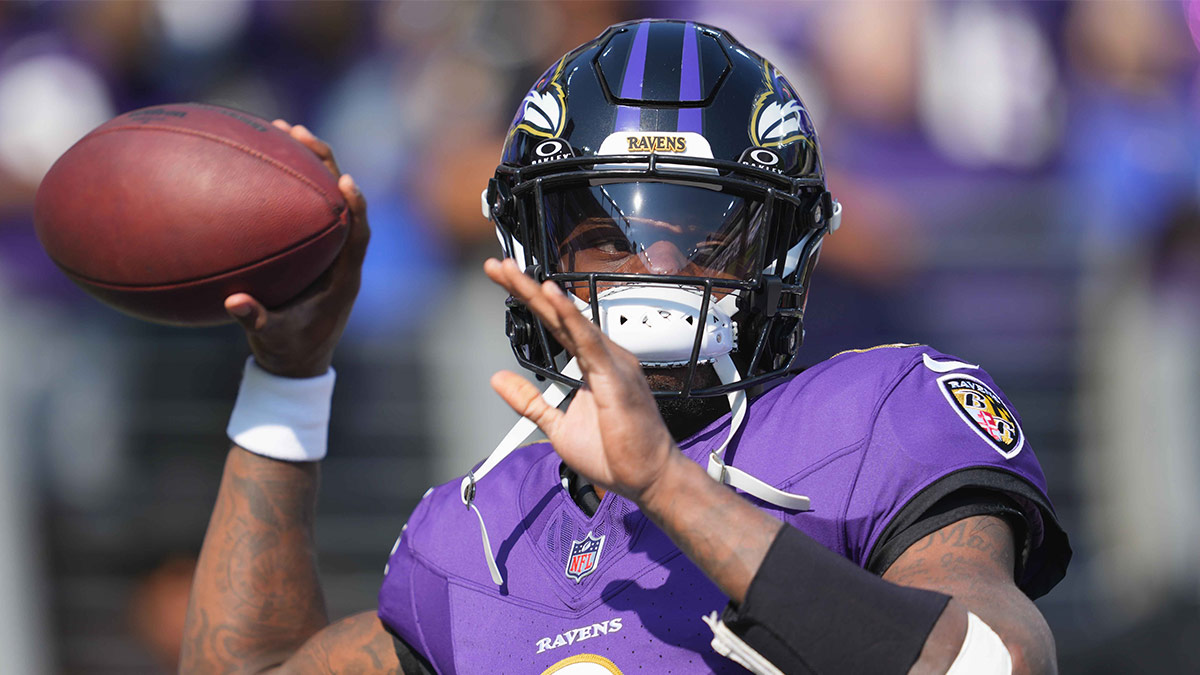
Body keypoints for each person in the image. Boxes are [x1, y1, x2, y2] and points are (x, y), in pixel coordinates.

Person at [180, 20, 1070, 674]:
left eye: (707, 226)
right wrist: (288, 375)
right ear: (535, 250)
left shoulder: (877, 413)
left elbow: (991, 664)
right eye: (607, 228)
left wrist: (668, 485)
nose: (661, 262)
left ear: (784, 249)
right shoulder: (482, 529)